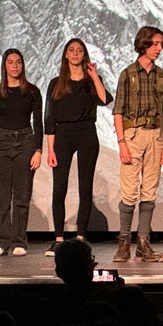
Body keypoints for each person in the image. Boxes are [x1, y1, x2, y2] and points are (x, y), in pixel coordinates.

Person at [44, 37, 111, 255]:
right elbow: (50, 118)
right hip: (63, 134)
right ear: (65, 54)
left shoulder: (92, 80)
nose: (75, 54)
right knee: (59, 187)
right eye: (71, 50)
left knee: (85, 186)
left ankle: (81, 236)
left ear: (84, 55)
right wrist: (50, 149)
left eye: (79, 50)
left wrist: (94, 77)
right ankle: (59, 238)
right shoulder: (56, 83)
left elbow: (104, 100)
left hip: (86, 133)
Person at [112, 26, 163, 263]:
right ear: (144, 43)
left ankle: (143, 243)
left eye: (160, 44)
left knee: (150, 190)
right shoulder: (128, 74)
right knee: (129, 191)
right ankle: (124, 243)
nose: (158, 49)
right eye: (155, 44)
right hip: (133, 135)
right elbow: (118, 111)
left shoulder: (162, 76)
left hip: (155, 135)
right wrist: (122, 142)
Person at [0, 48, 43, 257]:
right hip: (1, 142)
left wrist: (38, 149)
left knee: (22, 196)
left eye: (18, 62)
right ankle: (1, 241)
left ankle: (19, 242)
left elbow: (38, 122)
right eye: (10, 62)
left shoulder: (32, 91)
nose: (15, 66)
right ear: (4, 66)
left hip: (25, 141)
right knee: (1, 197)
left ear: (22, 65)